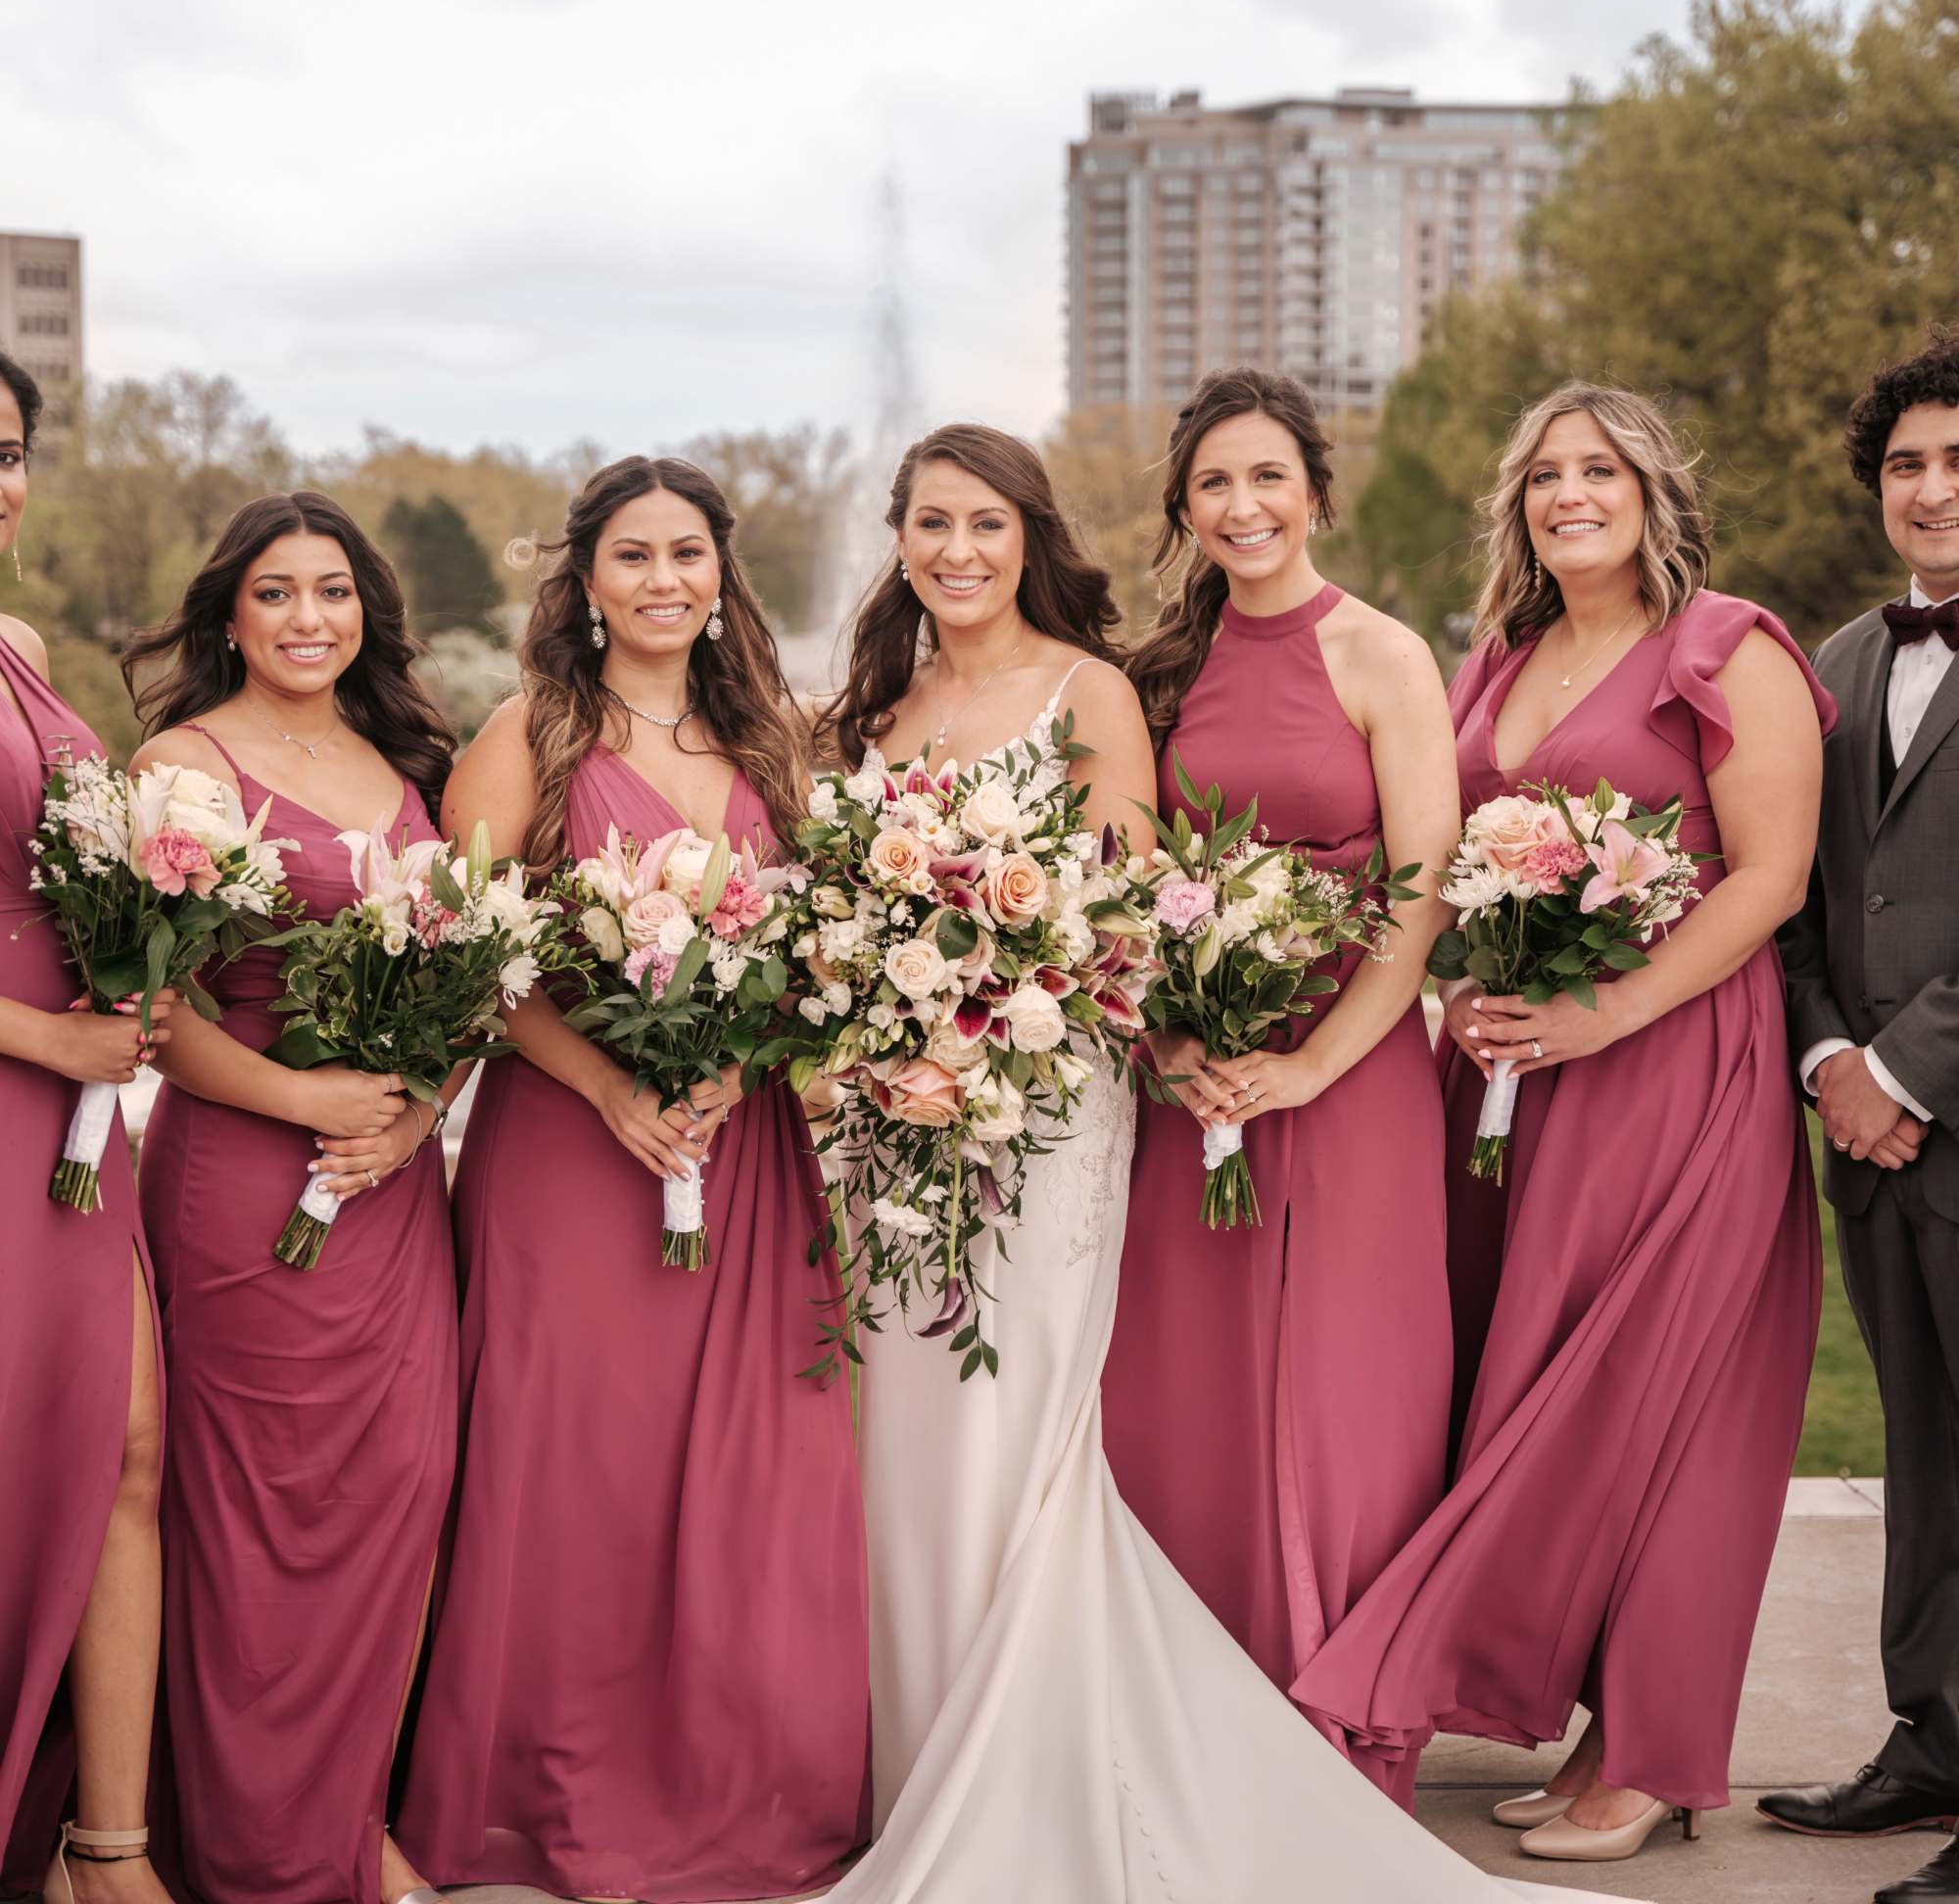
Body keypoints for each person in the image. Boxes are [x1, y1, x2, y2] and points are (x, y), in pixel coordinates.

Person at [812, 420, 1619, 1903]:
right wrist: (887, 1045)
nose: (958, 549)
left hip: (1069, 1098)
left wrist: (1016, 1036)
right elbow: (880, 920)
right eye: (930, 521)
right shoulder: (899, 706)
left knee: (1112, 1411)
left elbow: (1145, 903)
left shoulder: (1129, 687)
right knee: (969, 1432)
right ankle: (927, 1755)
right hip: (925, 1121)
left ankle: (1141, 1744)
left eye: (987, 522)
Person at [1294, 382, 1834, 1865]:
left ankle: (1654, 1753)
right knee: (1547, 1391)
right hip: (1519, 1084)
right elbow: (1452, 860)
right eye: (1544, 475)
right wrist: (1467, 990)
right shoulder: (1497, 658)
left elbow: (1766, 878)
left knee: (1667, 1402)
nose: (1570, 496)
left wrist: (1607, 1015)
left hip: (1675, 1071)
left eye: (1600, 470)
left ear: (1656, 491)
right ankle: (1596, 1720)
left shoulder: (1732, 647)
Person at [394, 456, 868, 1903]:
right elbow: (475, 962)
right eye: (632, 557)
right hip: (568, 1154)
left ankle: (747, 1797)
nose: (665, 581)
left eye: (689, 555)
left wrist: (756, 1053)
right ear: (585, 581)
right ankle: (547, 1793)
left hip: (748, 1154)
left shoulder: (782, 739)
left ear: (723, 572)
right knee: (574, 1467)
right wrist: (608, 1084)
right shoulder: (524, 737)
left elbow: (827, 947)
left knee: (756, 1475)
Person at [1104, 367, 1457, 1808]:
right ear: (1184, 511)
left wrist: (1312, 1061)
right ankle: (1197, 1693)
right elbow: (1116, 882)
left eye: (1266, 478)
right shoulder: (1157, 676)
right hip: (1192, 1078)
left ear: (1315, 489)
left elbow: (1421, 893)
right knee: (1183, 1386)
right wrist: (1173, 1048)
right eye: (1212, 486)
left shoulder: (1382, 655)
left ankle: (1343, 1698)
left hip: (1353, 1067)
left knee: (1346, 1388)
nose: (1241, 508)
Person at [124, 493, 459, 1904]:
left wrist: (415, 1113)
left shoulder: (404, 764)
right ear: (228, 615)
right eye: (277, 593)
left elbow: (458, 983)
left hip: (395, 1188)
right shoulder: (183, 764)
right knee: (257, 1511)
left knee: (399, 1490)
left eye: (334, 591)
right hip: (245, 1175)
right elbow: (151, 1001)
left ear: (368, 611)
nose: (310, 618)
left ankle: (353, 1821)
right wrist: (308, 1104)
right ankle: (263, 1848)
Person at [1764, 331, 1959, 1904]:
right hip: (1868, 1142)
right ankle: (1932, 1744)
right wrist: (1828, 1054)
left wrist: (1899, 1072)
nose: (1933, 488)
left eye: (1958, 462)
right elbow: (1800, 892)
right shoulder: (1829, 665)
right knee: (1924, 1452)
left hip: (1938, 1107)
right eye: (1908, 463)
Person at [0, 350, 176, 1904]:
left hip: (76, 1120)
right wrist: (39, 1029)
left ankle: (103, 1848)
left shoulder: (22, 645)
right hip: (15, 1080)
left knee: (124, 1452)